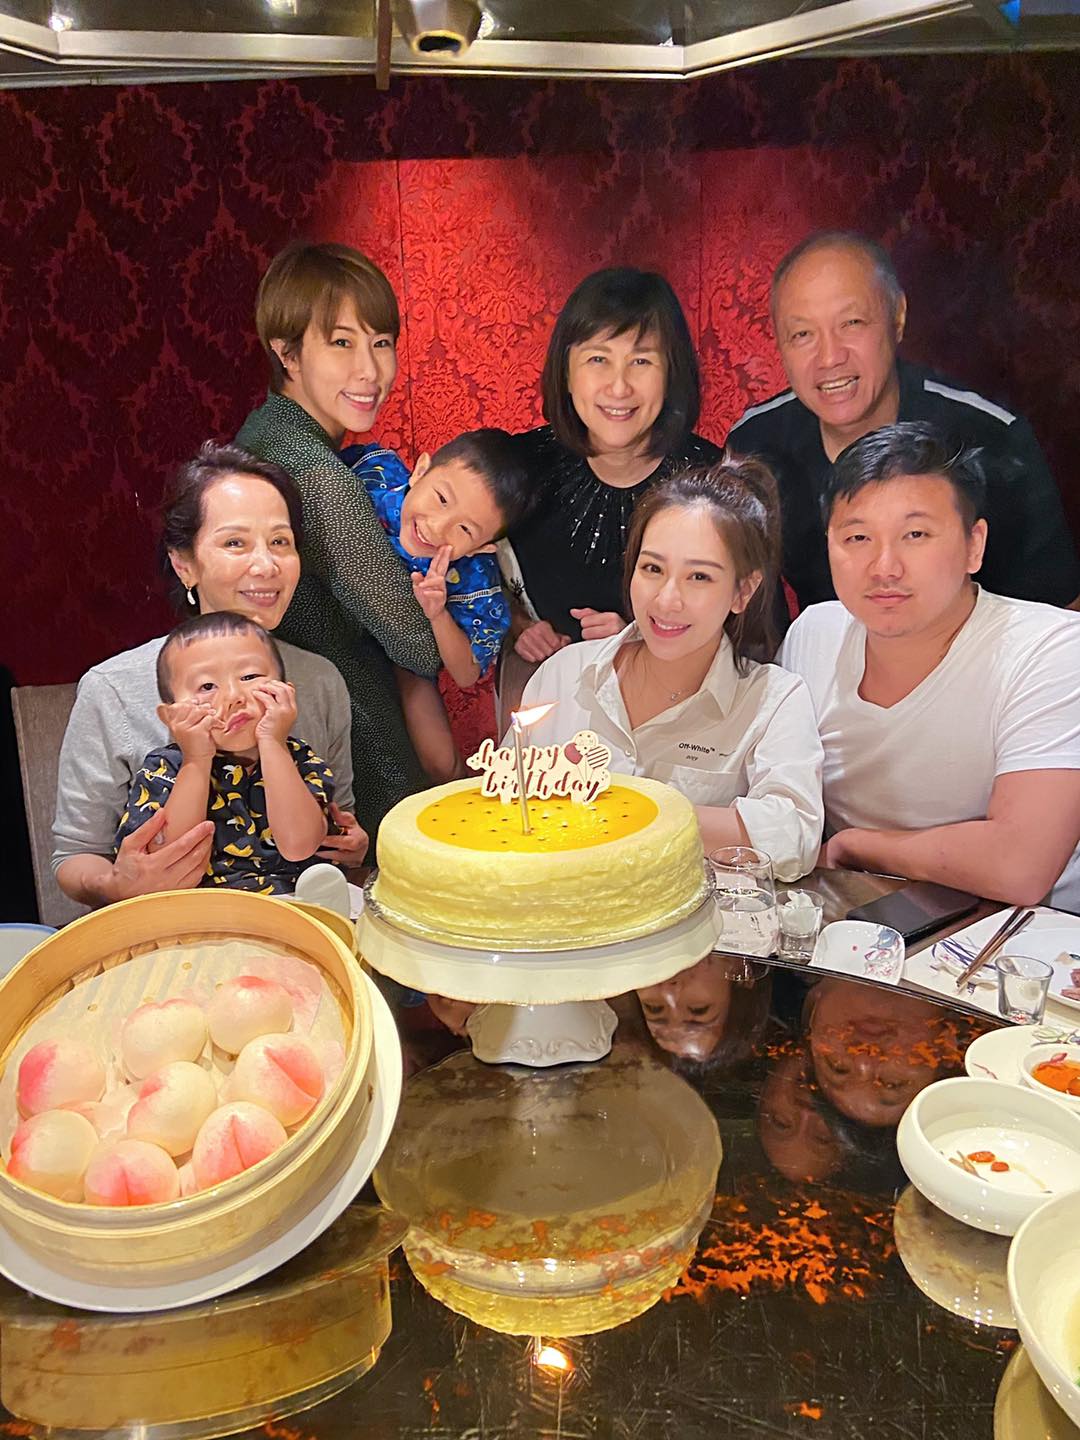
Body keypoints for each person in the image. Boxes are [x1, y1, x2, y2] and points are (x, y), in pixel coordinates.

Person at [779, 422, 1080, 911]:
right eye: (857, 537)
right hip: (860, 918)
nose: (884, 567)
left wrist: (857, 846)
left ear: (974, 545)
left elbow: (1020, 867)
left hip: (1022, 929)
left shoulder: (1050, 650)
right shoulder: (814, 635)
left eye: (915, 534)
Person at [53, 442, 364, 909]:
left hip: (297, 919)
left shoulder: (319, 679)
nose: (266, 565)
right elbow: (74, 857)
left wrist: (349, 845)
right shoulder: (112, 689)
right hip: (177, 925)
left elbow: (337, 818)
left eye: (280, 542)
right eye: (235, 542)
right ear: (185, 564)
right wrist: (117, 884)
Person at [727, 230, 1080, 613]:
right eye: (802, 334)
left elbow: (1062, 615)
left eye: (852, 322)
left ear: (897, 318)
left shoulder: (991, 438)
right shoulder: (755, 446)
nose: (829, 357)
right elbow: (750, 612)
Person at [515, 460, 824, 881]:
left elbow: (794, 836)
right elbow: (510, 805)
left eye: (699, 576)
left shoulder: (773, 700)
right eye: (652, 569)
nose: (666, 600)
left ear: (743, 591)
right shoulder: (564, 674)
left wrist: (628, 813)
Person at [236, 241, 443, 839]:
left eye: (382, 343)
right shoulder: (315, 472)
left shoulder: (263, 433)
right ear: (287, 353)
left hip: (300, 727)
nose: (370, 372)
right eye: (342, 343)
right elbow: (416, 641)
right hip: (355, 739)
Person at [501, 268, 721, 714]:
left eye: (641, 361)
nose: (619, 387)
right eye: (598, 359)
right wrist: (517, 623)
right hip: (548, 713)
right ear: (566, 372)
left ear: (671, 373)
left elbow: (751, 630)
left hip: (679, 715)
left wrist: (650, 638)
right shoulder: (520, 467)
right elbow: (466, 569)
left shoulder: (712, 482)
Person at [342, 428, 531, 781]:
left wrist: (437, 613)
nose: (438, 527)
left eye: (465, 530)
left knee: (441, 761)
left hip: (408, 655)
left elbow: (466, 673)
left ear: (482, 548)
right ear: (420, 471)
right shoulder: (372, 475)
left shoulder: (476, 581)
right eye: (441, 499)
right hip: (340, 617)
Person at [117, 613, 332, 894]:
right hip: (202, 909)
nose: (234, 696)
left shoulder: (300, 758)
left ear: (286, 692)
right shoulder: (163, 768)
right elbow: (168, 864)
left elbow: (299, 846)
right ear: (171, 717)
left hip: (298, 904)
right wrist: (196, 759)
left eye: (249, 676)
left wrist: (272, 741)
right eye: (207, 686)